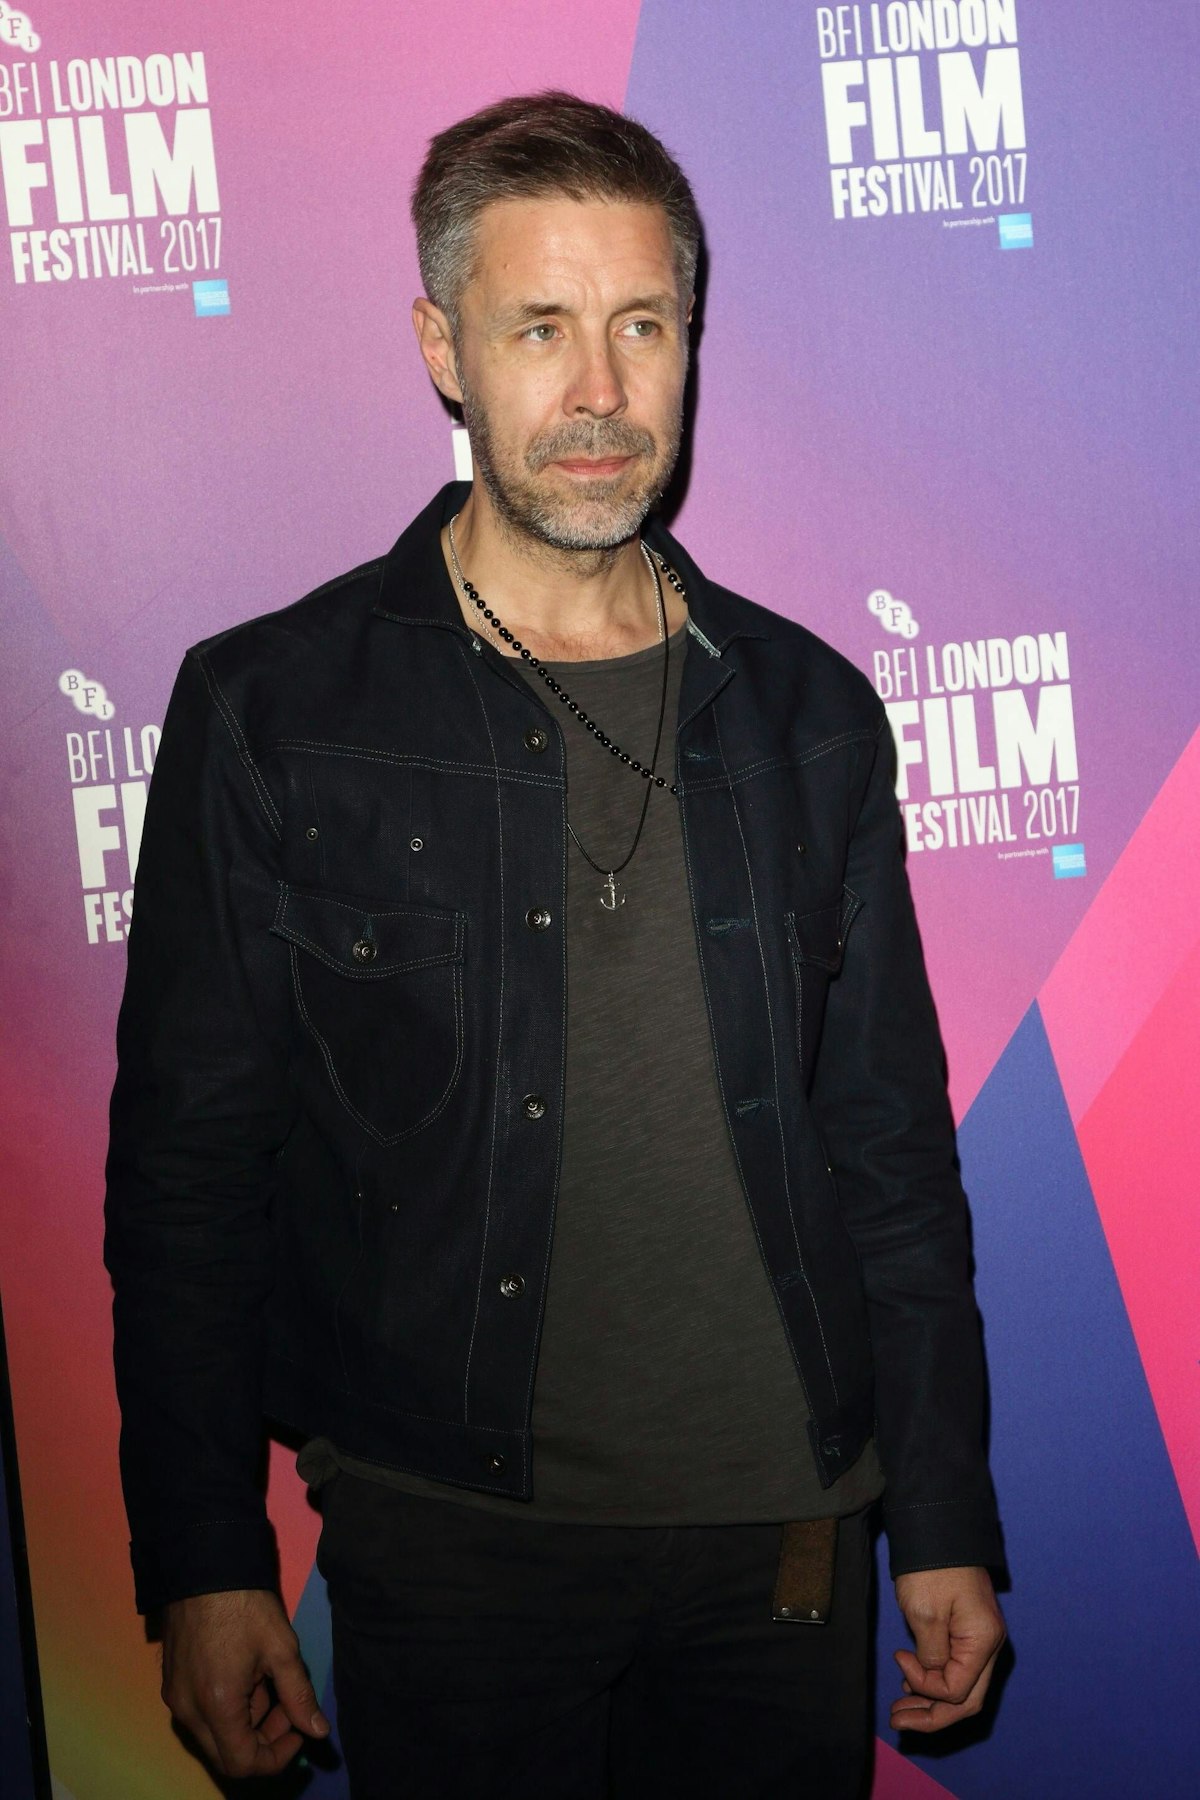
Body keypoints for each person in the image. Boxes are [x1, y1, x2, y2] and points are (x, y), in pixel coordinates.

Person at [105, 91, 1006, 1799]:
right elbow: (190, 1178)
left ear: (689, 345)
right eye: (540, 328)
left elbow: (889, 1149)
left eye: (641, 326)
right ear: (442, 349)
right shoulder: (275, 712)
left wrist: (947, 1514)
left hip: (785, 1538)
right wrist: (203, 1560)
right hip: (448, 1546)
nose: (599, 391)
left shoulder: (809, 712)